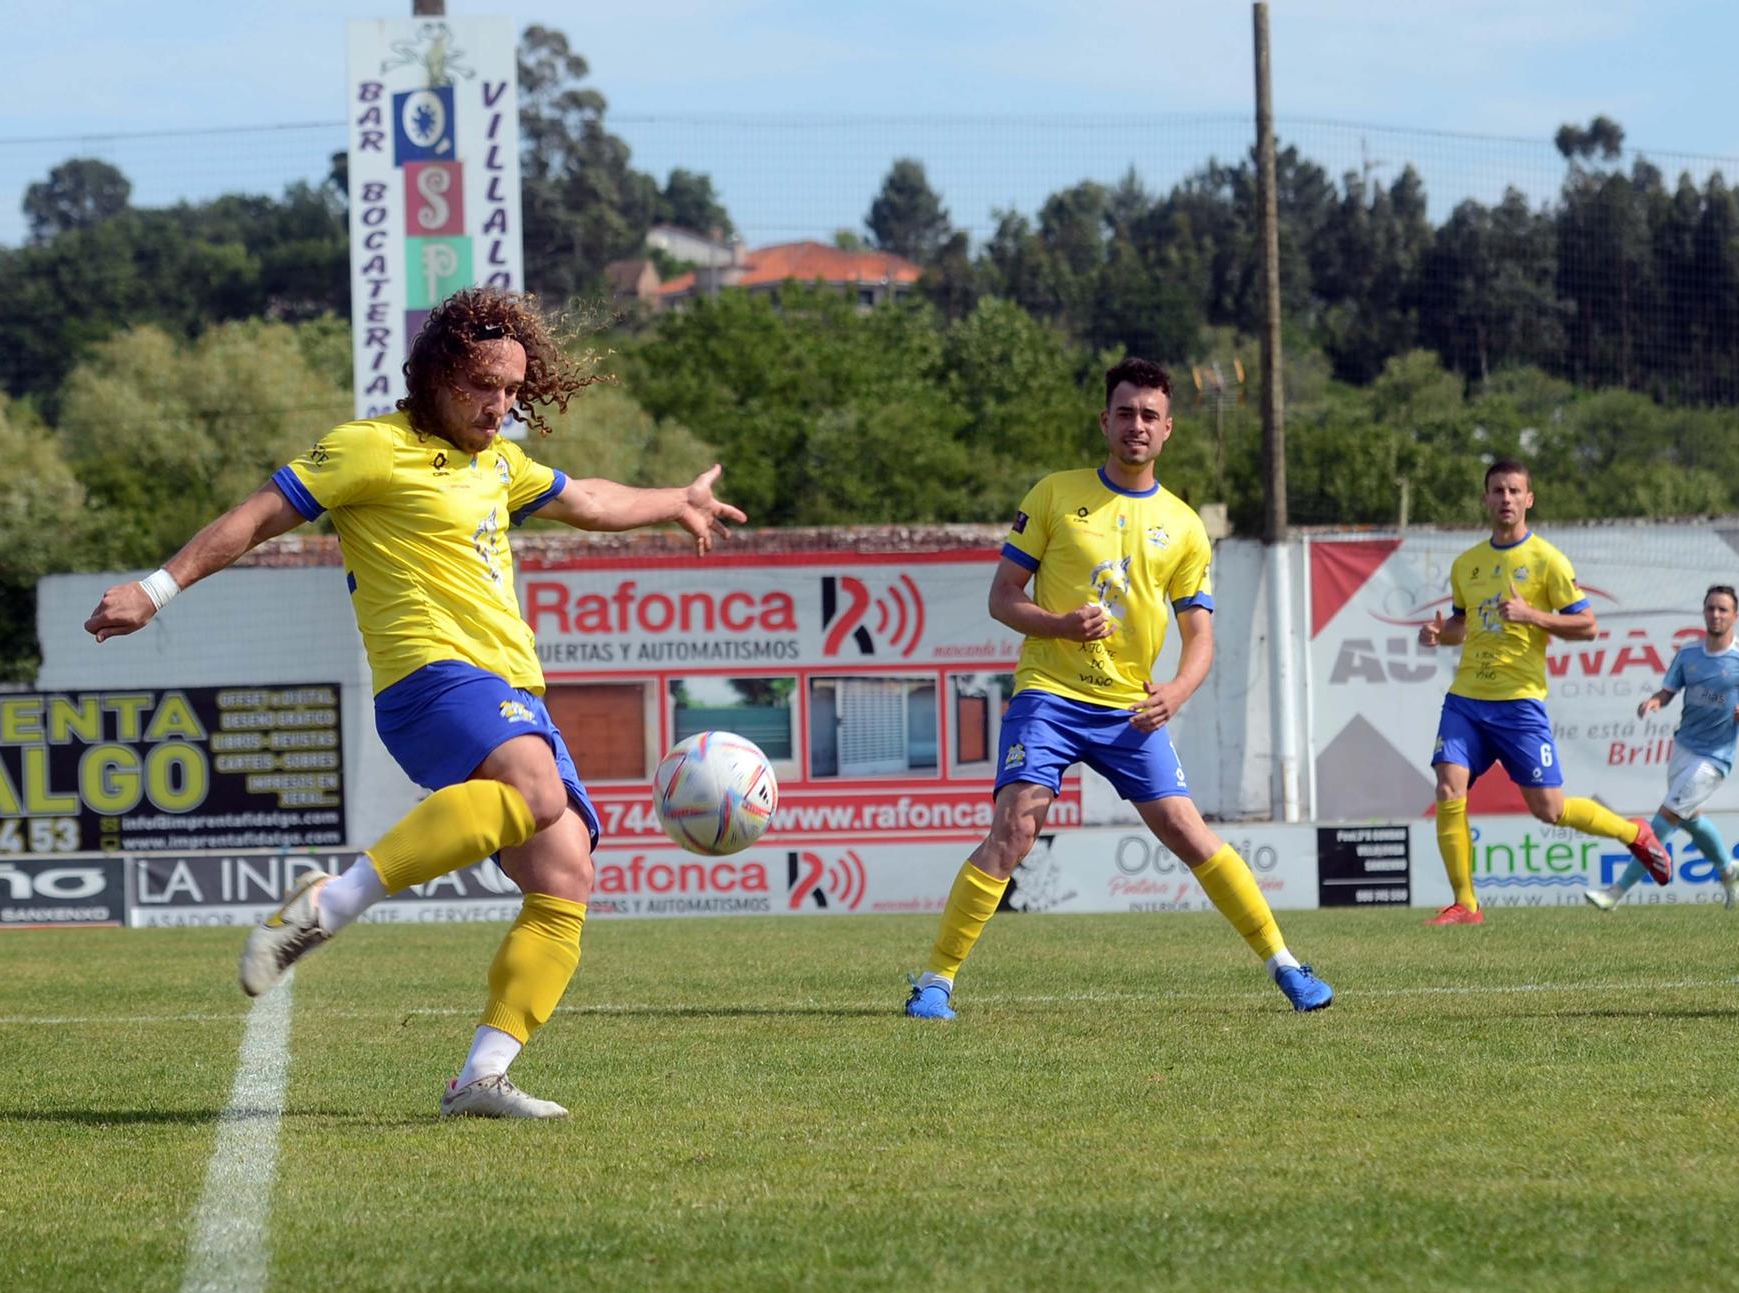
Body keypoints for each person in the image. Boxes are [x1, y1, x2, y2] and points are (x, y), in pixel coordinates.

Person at [84, 287, 744, 1120]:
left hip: (512, 690)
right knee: (536, 794)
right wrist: (156, 588)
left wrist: (673, 503)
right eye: (481, 385)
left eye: (511, 389)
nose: (499, 405)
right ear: (434, 375)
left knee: (567, 870)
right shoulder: (371, 449)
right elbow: (254, 518)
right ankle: (327, 904)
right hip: (431, 679)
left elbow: (589, 502)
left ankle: (481, 1075)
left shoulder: (498, 464)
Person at [904, 357, 1333, 1020]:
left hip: (1129, 710)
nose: (1137, 425)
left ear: (1168, 430)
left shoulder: (1185, 526)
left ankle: (1287, 965)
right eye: (1126, 412)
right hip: (1048, 694)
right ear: (1105, 420)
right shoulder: (1054, 494)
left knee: (1190, 833)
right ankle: (936, 981)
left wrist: (1177, 692)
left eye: (1150, 415)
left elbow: (1201, 636)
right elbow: (1002, 597)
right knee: (1015, 826)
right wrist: (1060, 624)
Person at [1415, 459, 1671, 924]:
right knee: (1448, 786)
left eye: (1515, 491)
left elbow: (1588, 625)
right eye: (1497, 491)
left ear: (1528, 499)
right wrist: (1439, 634)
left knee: (1549, 811)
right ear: (1486, 499)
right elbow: (1461, 624)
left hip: (1519, 705)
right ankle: (1465, 903)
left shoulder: (1547, 561)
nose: (1506, 499)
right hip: (1466, 701)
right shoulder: (1467, 564)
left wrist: (1534, 616)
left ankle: (1632, 832)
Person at [1584, 585, 1739, 911]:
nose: (1716, 615)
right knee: (1690, 820)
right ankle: (1728, 869)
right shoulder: (1688, 654)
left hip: (1715, 758)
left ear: (1735, 615)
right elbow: (1668, 692)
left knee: (1663, 821)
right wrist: (1654, 701)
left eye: (1723, 609)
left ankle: (1615, 893)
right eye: (1711, 609)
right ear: (1704, 613)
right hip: (1684, 747)